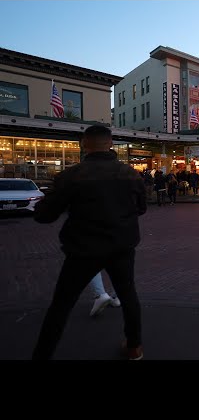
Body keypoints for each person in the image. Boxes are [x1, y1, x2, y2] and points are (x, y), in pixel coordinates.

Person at [31, 125, 147, 360]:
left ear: (84, 144)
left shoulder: (72, 176)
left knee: (61, 305)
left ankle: (42, 355)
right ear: (111, 143)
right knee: (128, 295)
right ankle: (134, 346)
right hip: (121, 246)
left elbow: (45, 215)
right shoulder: (130, 174)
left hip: (83, 249)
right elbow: (141, 208)